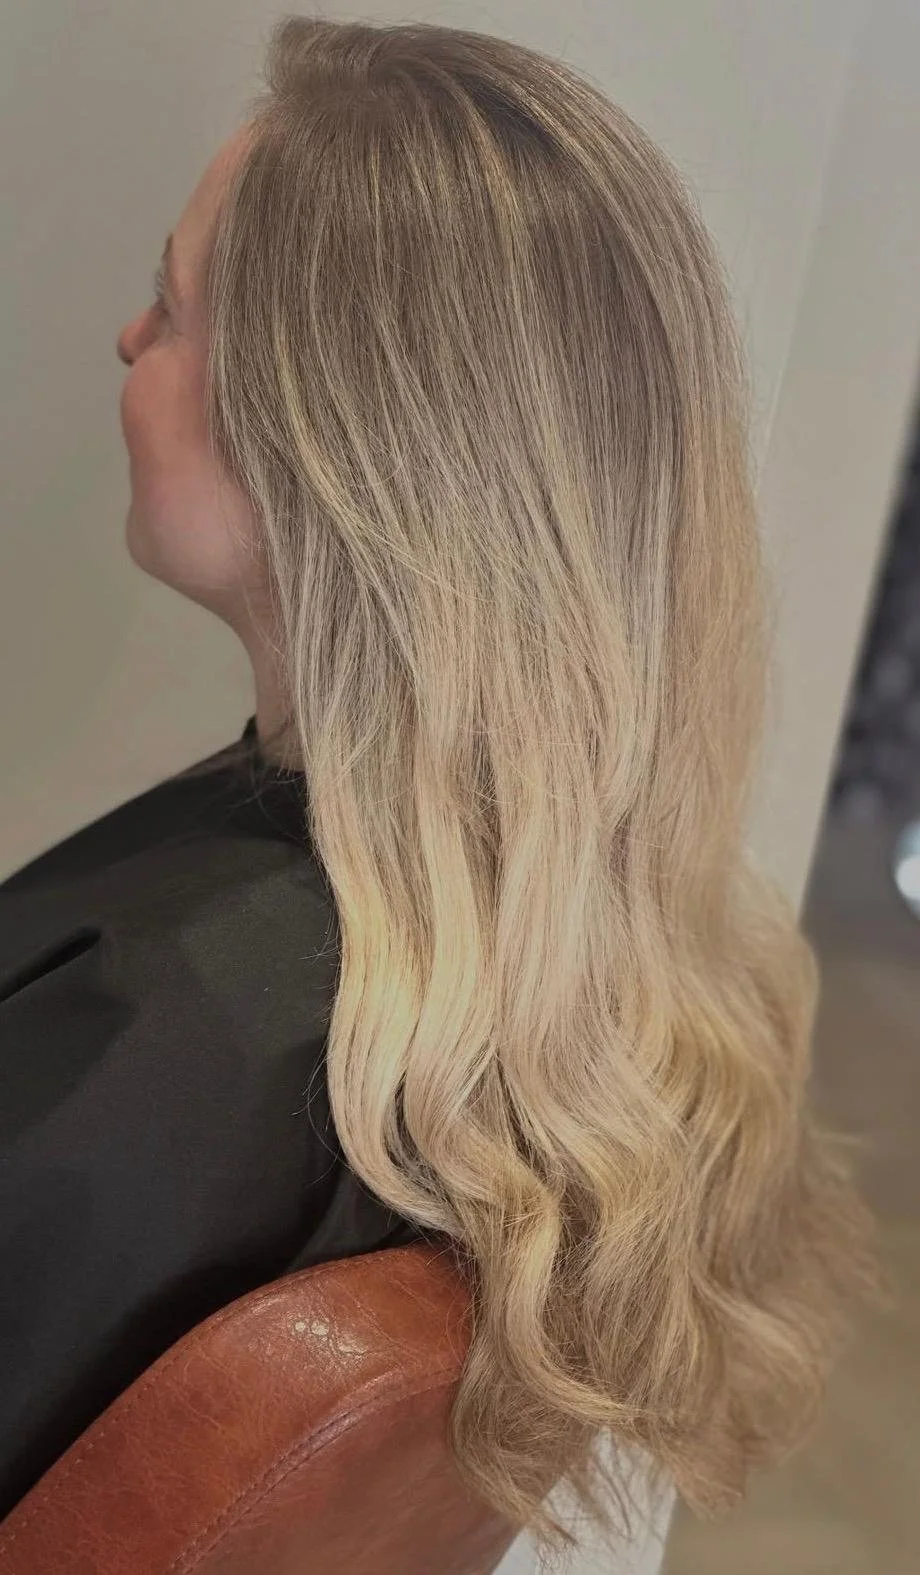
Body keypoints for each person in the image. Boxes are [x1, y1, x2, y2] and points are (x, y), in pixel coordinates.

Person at [0, 14, 875, 1560]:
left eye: (171, 302)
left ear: (324, 438)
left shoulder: (184, 1027)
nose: (132, 343)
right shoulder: (523, 988)